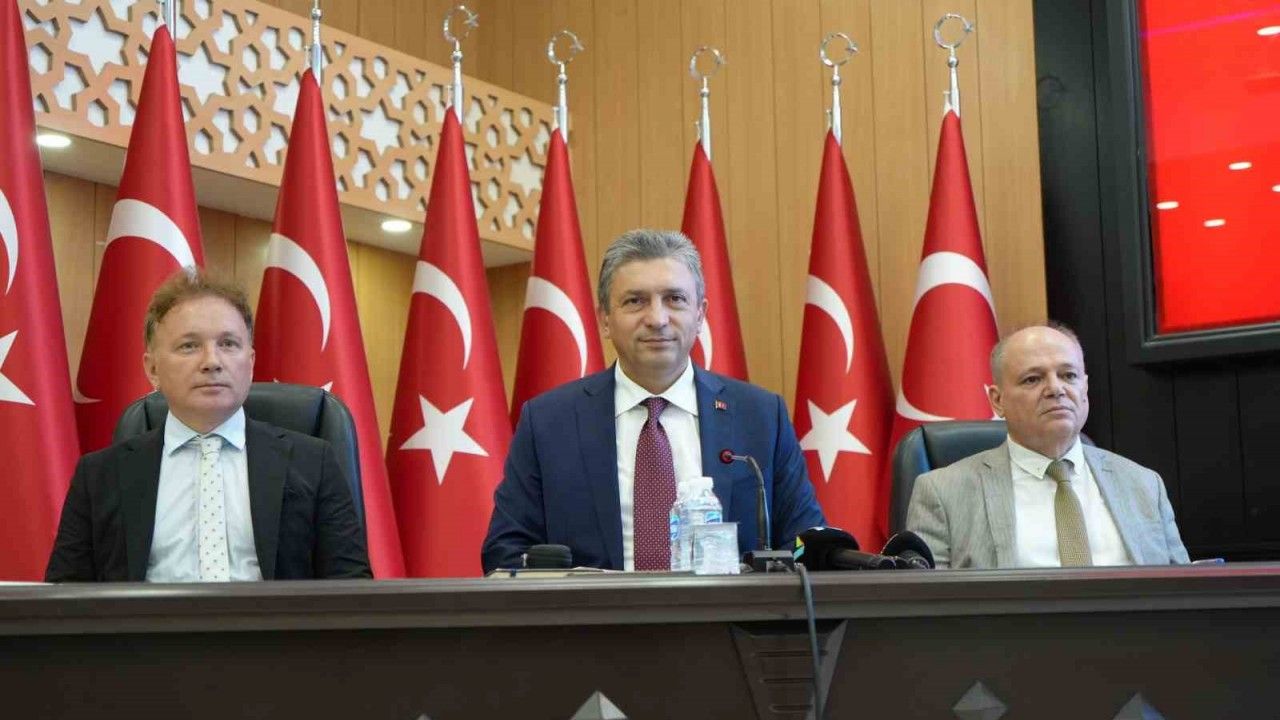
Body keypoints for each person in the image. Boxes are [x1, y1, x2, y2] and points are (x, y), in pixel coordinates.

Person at [482, 229, 825, 572]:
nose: (657, 319)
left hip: (729, 608)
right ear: (604, 319)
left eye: (674, 299)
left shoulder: (761, 417)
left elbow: (805, 546)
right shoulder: (548, 422)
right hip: (593, 608)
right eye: (635, 301)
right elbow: (506, 552)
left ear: (700, 314)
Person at [45, 269, 370, 582]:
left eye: (228, 344)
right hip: (148, 623)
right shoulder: (99, 476)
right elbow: (65, 597)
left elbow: (352, 590)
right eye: (189, 345)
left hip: (275, 624)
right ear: (152, 368)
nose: (212, 361)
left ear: (251, 363)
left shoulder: (313, 463)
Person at [906, 323, 1189, 569]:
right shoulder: (943, 493)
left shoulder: (1144, 485)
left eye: (1069, 375)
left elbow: (1184, 595)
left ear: (1085, 388)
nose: (1056, 389)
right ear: (997, 400)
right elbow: (928, 605)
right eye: (1033, 379)